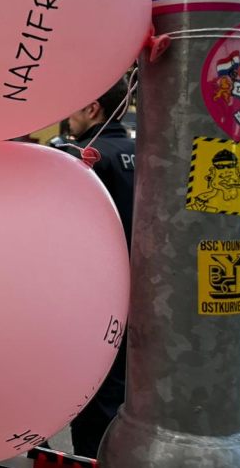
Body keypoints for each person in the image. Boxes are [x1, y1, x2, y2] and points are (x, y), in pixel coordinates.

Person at [65, 76, 135, 458]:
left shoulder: (81, 157)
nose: (68, 116)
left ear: (94, 108)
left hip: (96, 301)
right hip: (152, 297)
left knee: (96, 402)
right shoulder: (156, 153)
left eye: (75, 106)